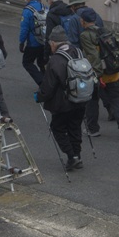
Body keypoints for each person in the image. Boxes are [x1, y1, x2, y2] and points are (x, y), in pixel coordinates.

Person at [35, 25, 87, 171]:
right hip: (81, 98)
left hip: (63, 103)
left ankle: (72, 157)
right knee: (75, 127)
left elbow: (48, 86)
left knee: (57, 128)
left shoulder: (56, 60)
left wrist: (39, 96)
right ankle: (78, 156)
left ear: (53, 43)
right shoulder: (78, 51)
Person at [79, 8, 119, 139]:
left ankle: (93, 129)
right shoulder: (106, 31)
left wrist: (98, 76)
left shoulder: (85, 35)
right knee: (116, 100)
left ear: (83, 21)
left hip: (98, 74)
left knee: (92, 101)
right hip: (113, 73)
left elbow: (93, 56)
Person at [19, 0, 47, 86]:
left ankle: (42, 82)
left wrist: (21, 42)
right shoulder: (44, 7)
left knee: (27, 62)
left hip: (33, 42)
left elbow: (24, 29)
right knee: (42, 62)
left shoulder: (27, 11)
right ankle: (49, 82)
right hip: (45, 41)